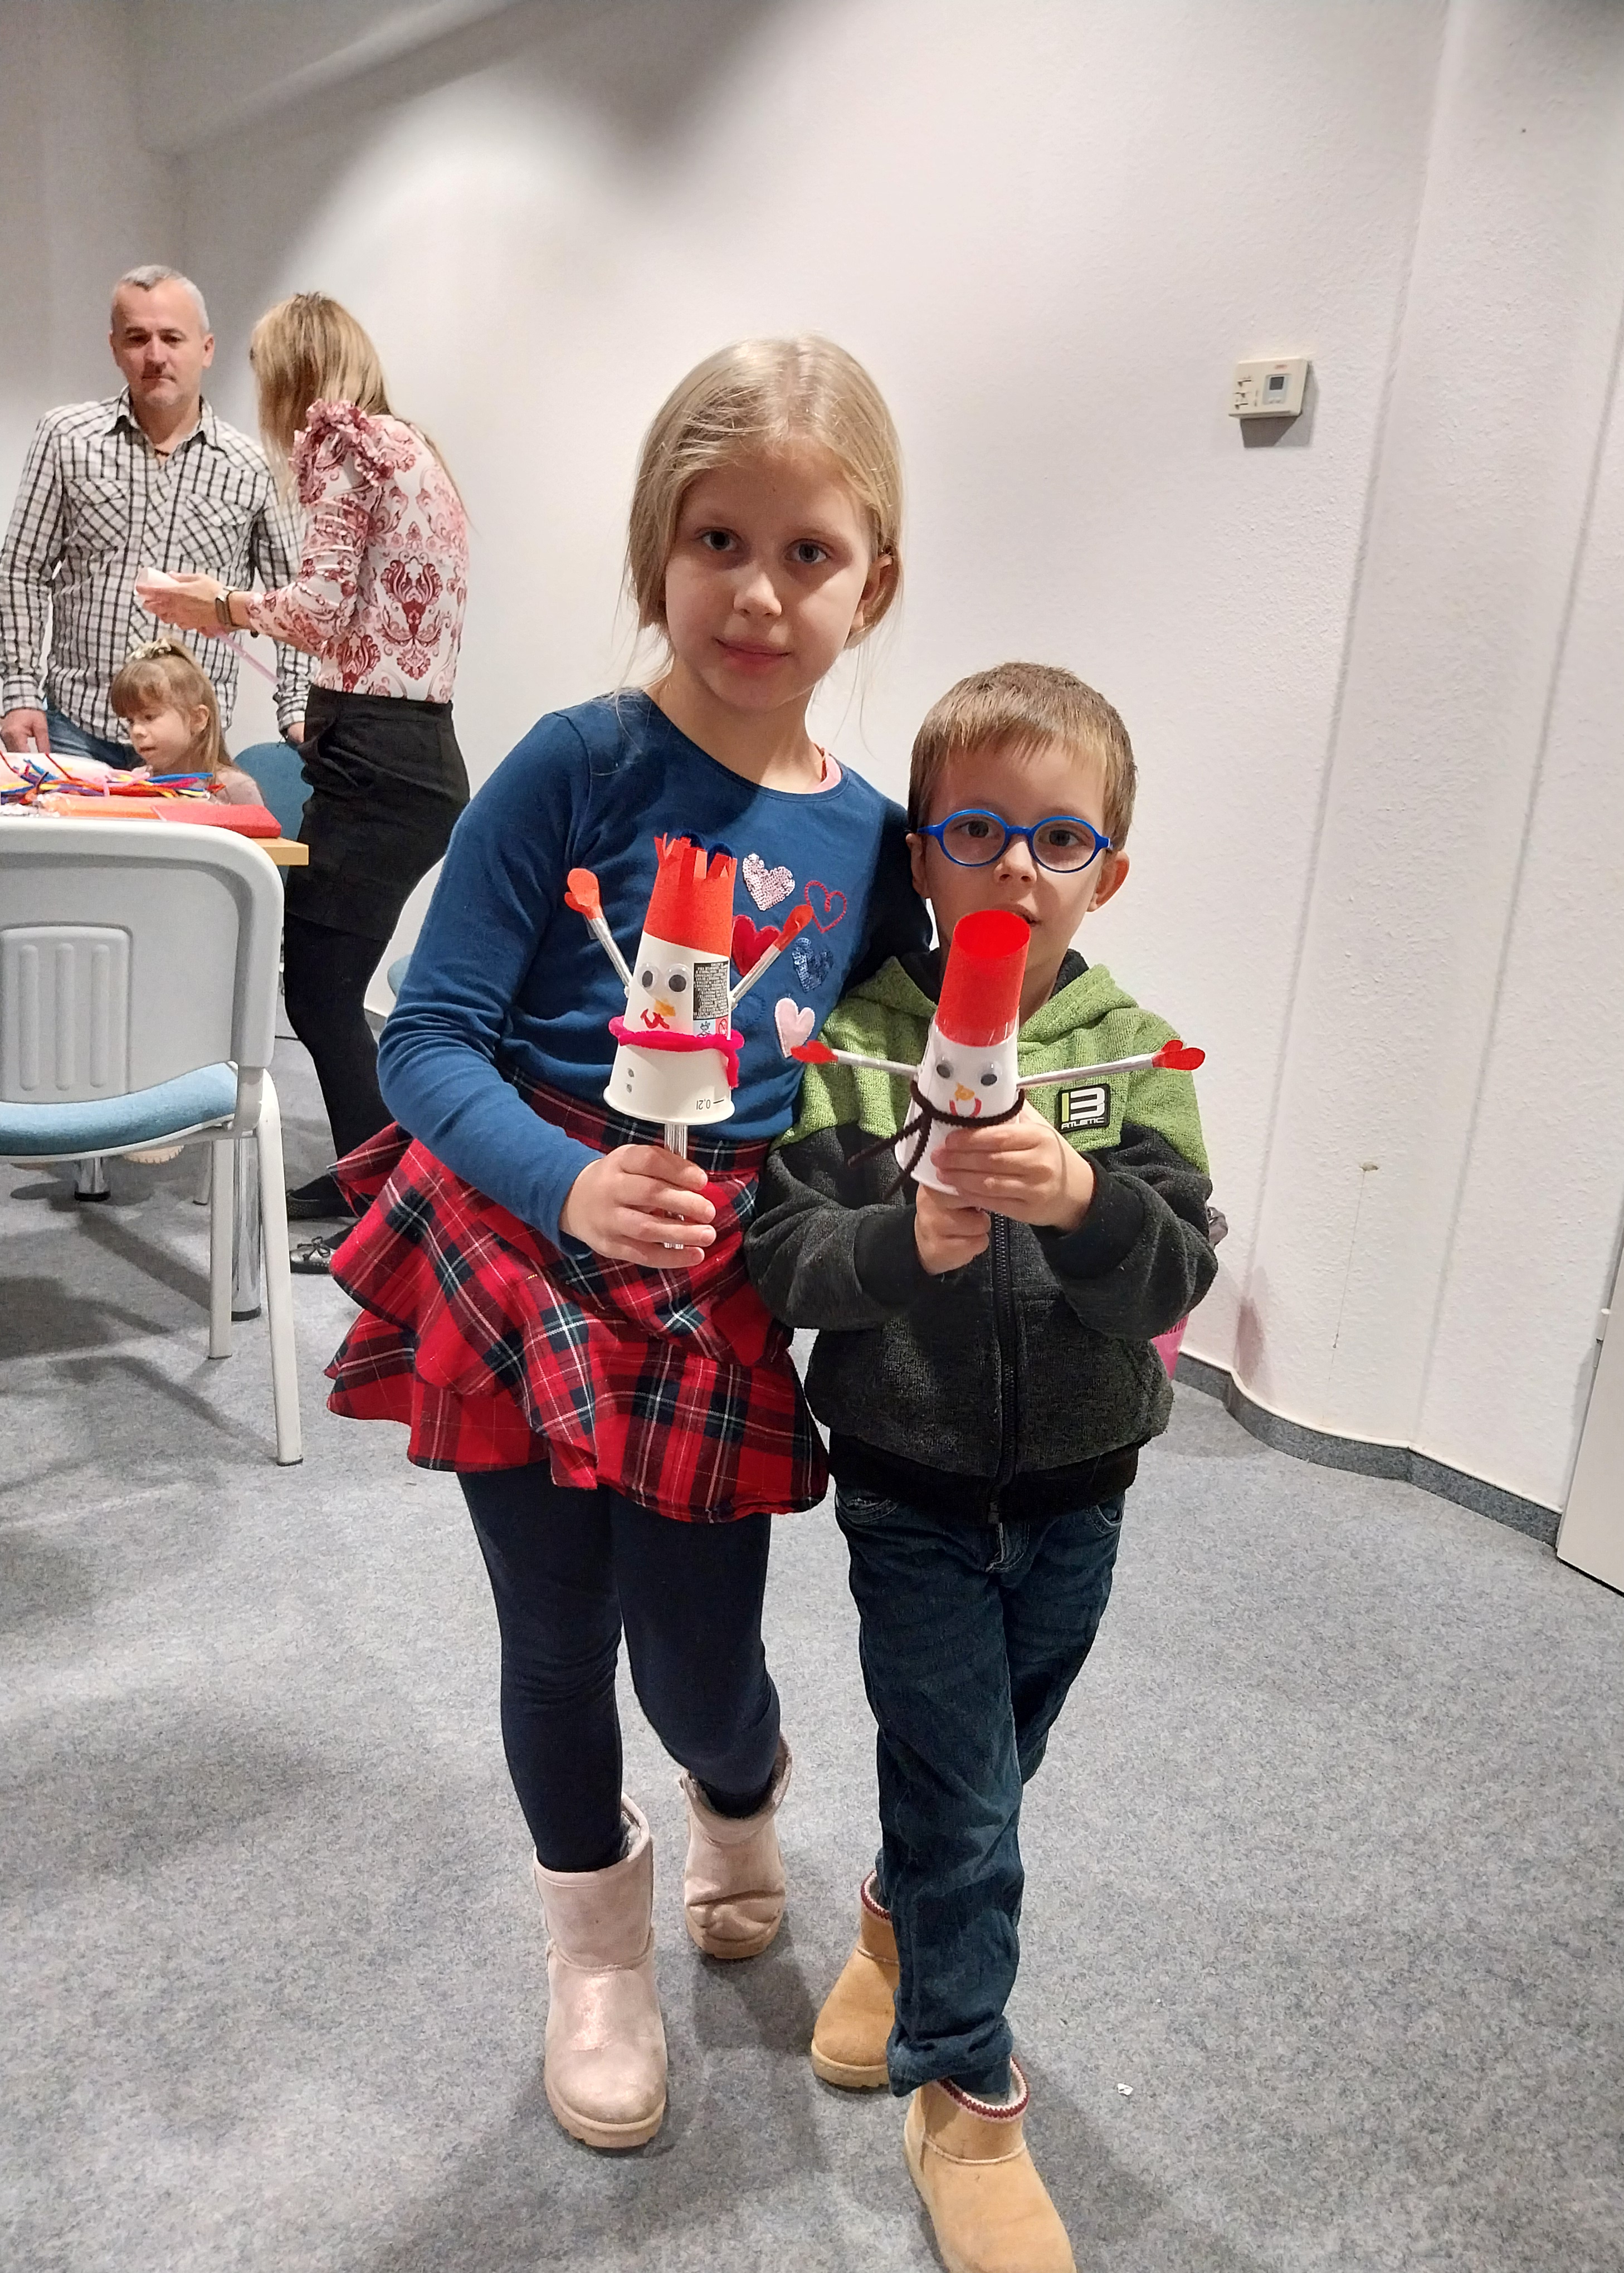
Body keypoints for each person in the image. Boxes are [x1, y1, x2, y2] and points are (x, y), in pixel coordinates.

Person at [315, 337, 925, 2153]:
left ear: (873, 581)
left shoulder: (871, 839)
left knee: (699, 1658)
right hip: (521, 1237)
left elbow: (904, 1051)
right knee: (553, 1630)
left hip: (714, 1274)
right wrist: (563, 1187)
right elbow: (426, 1036)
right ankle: (593, 1951)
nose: (758, 594)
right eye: (716, 541)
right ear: (658, 548)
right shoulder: (575, 763)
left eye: (807, 554)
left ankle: (737, 1796)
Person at [745, 662, 1218, 2273]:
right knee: (968, 1800)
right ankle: (967, 2096)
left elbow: (1172, 1276)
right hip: (911, 1485)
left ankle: (892, 1922)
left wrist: (1082, 1200)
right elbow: (785, 1255)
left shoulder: (1138, 1054)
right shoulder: (861, 1043)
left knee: (992, 1770)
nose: (1017, 863)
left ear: (1107, 872)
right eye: (976, 830)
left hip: (1082, 1487)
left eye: (1059, 836)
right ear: (923, 856)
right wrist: (902, 1239)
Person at [138, 292, 471, 1250]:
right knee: (331, 982)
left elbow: (319, 612)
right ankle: (377, 1174)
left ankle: (385, 1208)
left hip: (377, 763)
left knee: (322, 989)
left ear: (292, 371)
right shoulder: (410, 449)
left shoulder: (347, 445)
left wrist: (220, 606)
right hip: (410, 756)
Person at [0, 265, 309, 766]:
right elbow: (22, 571)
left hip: (191, 740)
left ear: (206, 349)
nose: (155, 355)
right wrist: (18, 692)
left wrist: (297, 709)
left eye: (172, 338)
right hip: (76, 728)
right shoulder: (65, 438)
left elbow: (290, 600)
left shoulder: (256, 467)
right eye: (137, 338)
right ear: (115, 347)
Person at [109, 637, 264, 804]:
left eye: (149, 717)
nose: (136, 731)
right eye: (131, 721)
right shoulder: (137, 781)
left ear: (198, 719)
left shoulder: (235, 789)